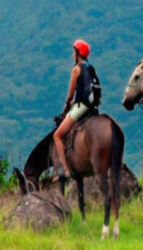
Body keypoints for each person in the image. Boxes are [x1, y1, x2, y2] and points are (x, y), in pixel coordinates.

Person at [53, 39, 96, 180]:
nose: (73, 54)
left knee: (57, 136)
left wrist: (67, 104)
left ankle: (65, 170)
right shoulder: (91, 68)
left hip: (81, 106)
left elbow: (71, 95)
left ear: (78, 53)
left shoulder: (76, 69)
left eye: (74, 51)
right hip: (93, 107)